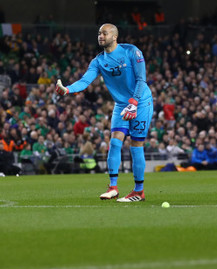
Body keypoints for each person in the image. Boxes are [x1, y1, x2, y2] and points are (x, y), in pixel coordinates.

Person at [56, 23, 153, 202]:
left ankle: (139, 191)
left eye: (104, 33)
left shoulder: (132, 52)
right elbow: (85, 81)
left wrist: (134, 102)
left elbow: (141, 80)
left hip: (141, 103)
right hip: (121, 105)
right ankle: (113, 187)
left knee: (136, 145)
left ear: (114, 36)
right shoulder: (98, 61)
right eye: (99, 33)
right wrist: (67, 89)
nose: (101, 36)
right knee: (114, 143)